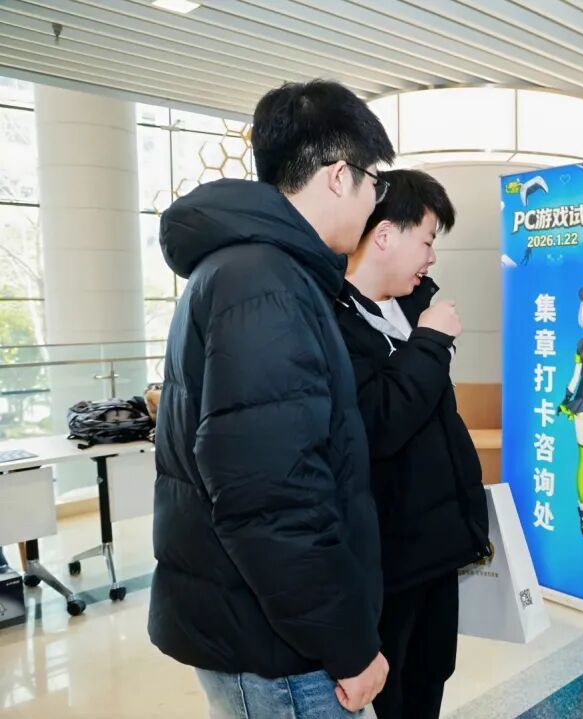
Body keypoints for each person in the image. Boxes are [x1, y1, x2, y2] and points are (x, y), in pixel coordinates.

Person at [148, 80, 395, 718]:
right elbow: (272, 501)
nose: (375, 202)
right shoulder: (265, 284)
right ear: (339, 176)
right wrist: (350, 647)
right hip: (281, 651)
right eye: (374, 183)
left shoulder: (251, 270)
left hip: (262, 627)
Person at [334, 169, 489, 719]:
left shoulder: (413, 303)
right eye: (426, 240)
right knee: (393, 691)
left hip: (438, 543)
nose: (431, 258)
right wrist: (431, 342)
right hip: (388, 555)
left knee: (431, 675)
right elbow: (379, 421)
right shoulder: (333, 320)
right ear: (385, 236)